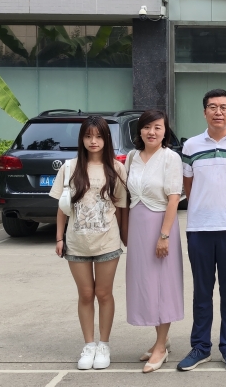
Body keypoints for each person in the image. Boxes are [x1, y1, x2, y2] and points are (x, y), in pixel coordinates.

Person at [176, 89, 226, 373]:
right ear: (204, 112)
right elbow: (189, 186)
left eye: (223, 107)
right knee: (202, 292)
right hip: (199, 229)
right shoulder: (191, 146)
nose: (218, 112)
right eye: (212, 107)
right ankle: (200, 347)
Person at [50, 116, 128, 370]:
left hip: (107, 243)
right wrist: (59, 237)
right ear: (81, 139)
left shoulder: (116, 168)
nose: (93, 141)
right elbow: (62, 207)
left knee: (104, 294)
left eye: (99, 136)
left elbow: (120, 207)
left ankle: (104, 345)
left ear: (107, 139)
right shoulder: (69, 168)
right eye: (88, 136)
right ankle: (89, 345)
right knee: (85, 294)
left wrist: (124, 237)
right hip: (76, 243)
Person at [124, 109, 184, 373]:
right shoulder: (132, 157)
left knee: (162, 286)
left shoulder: (171, 158)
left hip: (160, 226)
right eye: (147, 127)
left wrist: (164, 235)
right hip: (137, 227)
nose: (152, 132)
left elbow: (174, 198)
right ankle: (162, 339)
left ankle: (161, 347)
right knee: (146, 285)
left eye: (158, 127)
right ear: (140, 130)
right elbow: (125, 195)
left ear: (165, 131)